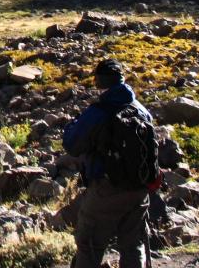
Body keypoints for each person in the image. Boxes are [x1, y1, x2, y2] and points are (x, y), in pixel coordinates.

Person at [63, 59, 161, 268]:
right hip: (139, 188)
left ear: (99, 82)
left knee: (89, 243)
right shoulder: (140, 110)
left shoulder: (100, 111)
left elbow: (72, 145)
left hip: (107, 188)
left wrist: (73, 124)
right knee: (133, 244)